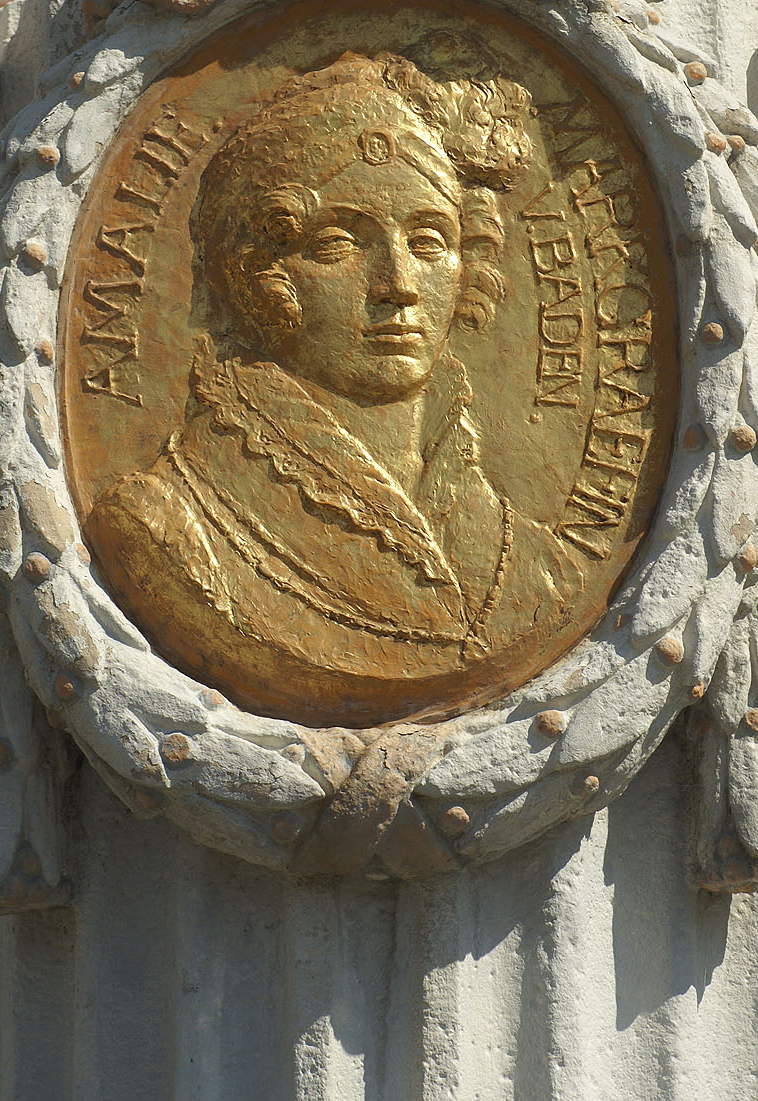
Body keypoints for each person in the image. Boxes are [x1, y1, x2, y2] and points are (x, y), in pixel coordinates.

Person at [86, 49, 583, 725]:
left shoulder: (535, 563)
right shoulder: (172, 523)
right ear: (258, 277)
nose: (399, 285)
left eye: (429, 241)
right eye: (340, 244)